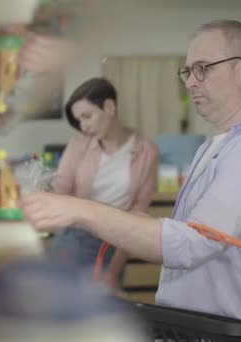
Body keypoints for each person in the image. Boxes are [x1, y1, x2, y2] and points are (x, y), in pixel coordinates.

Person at [20, 20, 241, 326]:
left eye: (203, 68)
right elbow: (191, 231)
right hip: (197, 327)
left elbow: (191, 243)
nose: (190, 82)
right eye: (188, 71)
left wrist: (80, 210)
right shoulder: (215, 147)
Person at [48, 77, 159, 289]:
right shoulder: (77, 147)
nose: (83, 126)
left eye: (87, 116)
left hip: (117, 242)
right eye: (78, 121)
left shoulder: (147, 151)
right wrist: (44, 188)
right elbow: (60, 191)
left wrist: (114, 269)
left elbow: (138, 214)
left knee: (105, 312)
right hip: (77, 238)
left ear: (109, 106)